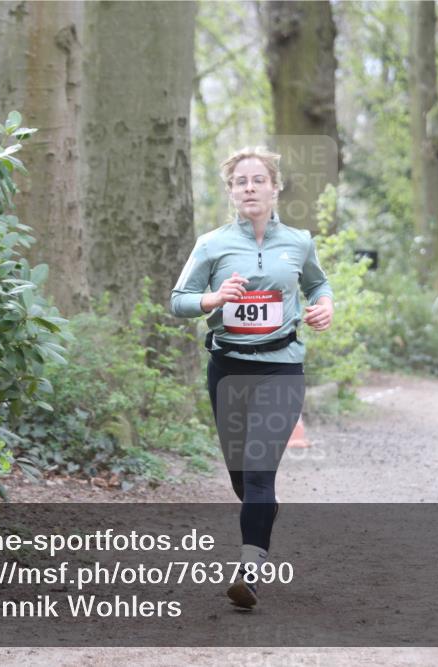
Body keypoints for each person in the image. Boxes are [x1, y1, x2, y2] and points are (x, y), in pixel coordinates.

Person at [170, 146, 333, 608]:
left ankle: (249, 570)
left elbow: (317, 284)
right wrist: (213, 298)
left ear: (275, 187)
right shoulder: (212, 244)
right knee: (243, 479)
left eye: (258, 179)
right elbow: (178, 299)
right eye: (240, 181)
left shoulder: (299, 241)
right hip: (228, 369)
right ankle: (263, 517)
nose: (249, 188)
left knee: (260, 472)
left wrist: (326, 305)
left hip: (281, 367)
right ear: (230, 191)